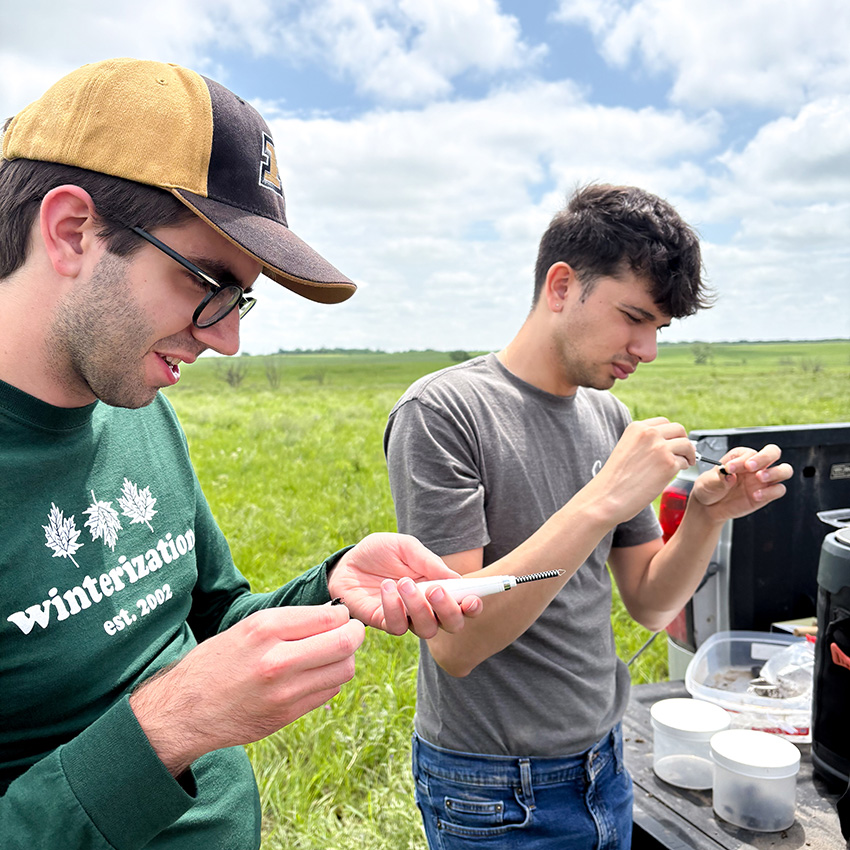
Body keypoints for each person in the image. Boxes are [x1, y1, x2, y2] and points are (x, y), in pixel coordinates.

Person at [0, 58, 481, 849]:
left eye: (242, 299)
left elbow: (211, 613)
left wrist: (328, 589)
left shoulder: (134, 408)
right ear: (72, 231)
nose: (227, 337)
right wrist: (168, 725)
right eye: (208, 282)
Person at [384, 184, 793, 849]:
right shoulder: (444, 412)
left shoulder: (608, 417)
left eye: (658, 328)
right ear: (561, 285)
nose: (648, 348)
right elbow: (457, 643)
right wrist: (604, 495)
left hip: (606, 764)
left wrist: (704, 517)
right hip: (495, 789)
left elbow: (651, 604)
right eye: (634, 316)